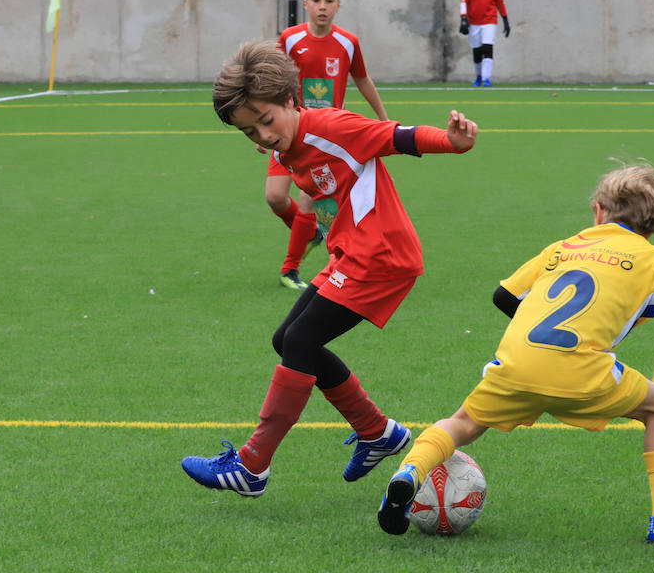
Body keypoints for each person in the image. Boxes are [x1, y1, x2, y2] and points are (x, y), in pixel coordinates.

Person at [377, 163, 654, 542]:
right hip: (582, 373)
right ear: (652, 226)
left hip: (515, 364)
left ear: (598, 211)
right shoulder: (653, 258)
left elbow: (503, 296)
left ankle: (409, 472)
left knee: (463, 422)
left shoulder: (564, 247)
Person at [181, 40, 478, 498]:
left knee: (300, 340)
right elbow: (286, 184)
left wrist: (453, 143)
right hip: (352, 254)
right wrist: (274, 145)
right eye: (249, 132)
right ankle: (377, 432)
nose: (262, 135)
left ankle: (252, 463)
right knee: (288, 340)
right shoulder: (285, 144)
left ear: (290, 100)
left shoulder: (332, 127)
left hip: (380, 257)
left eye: (266, 121)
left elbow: (396, 136)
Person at [266, 0, 390, 290]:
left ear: (338, 5)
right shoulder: (290, 39)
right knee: (276, 198)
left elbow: (362, 79)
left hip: (323, 138)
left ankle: (289, 270)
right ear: (306, 4)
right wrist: (264, 127)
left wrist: (381, 116)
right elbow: (275, 82)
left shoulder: (348, 43)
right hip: (287, 130)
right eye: (317, 0)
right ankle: (309, 233)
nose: (323, 7)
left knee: (310, 201)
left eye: (329, 1)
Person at [459, 0, 509, 88]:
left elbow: (499, 1)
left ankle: (486, 78)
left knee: (488, 47)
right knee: (477, 51)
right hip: (474, 22)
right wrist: (463, 18)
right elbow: (464, 0)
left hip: (489, 21)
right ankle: (478, 76)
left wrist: (505, 19)